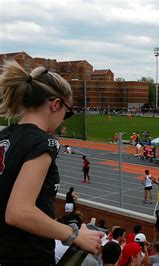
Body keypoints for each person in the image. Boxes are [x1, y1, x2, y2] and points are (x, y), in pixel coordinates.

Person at [0, 60, 102, 264]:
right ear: (55, 104)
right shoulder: (44, 142)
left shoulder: (5, 136)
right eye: (67, 112)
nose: (64, 119)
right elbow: (18, 212)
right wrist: (75, 235)